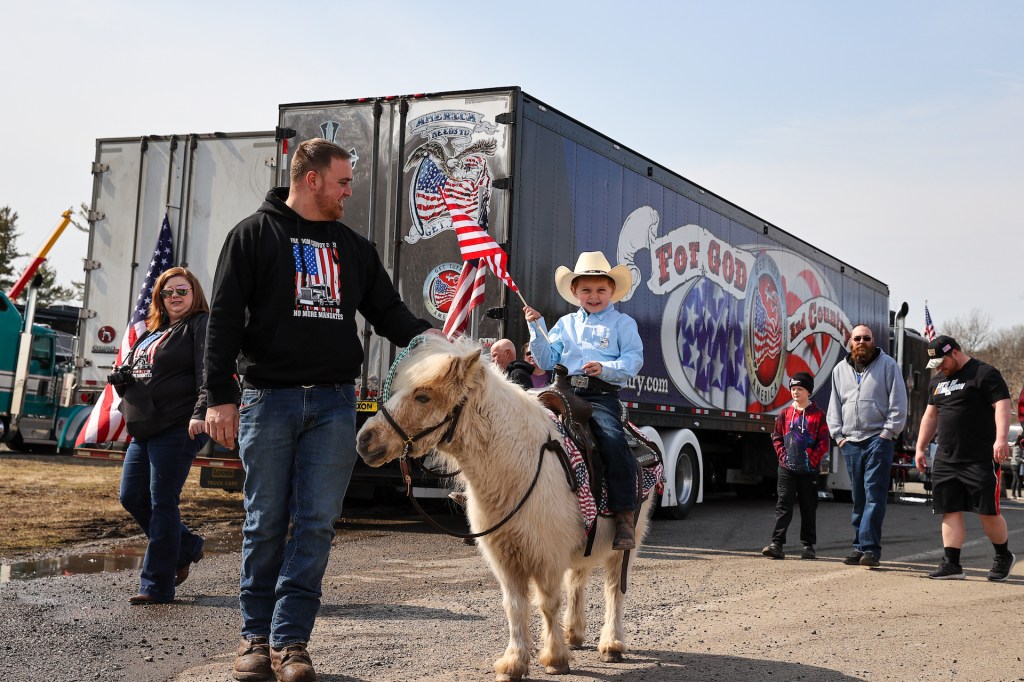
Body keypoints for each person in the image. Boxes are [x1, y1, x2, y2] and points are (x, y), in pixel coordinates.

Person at [204, 138, 433, 682]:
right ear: (311, 180)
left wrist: (445, 345)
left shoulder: (354, 248)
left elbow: (390, 315)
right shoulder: (252, 236)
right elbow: (224, 324)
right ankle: (253, 640)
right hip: (268, 400)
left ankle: (291, 644)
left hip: (335, 403)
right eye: (343, 182)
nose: (349, 192)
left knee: (316, 524)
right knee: (265, 522)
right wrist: (218, 396)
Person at [523, 251, 643, 550]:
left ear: (612, 291)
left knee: (613, 441)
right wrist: (535, 327)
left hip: (600, 395)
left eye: (601, 289)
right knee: (521, 424)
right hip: (562, 390)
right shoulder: (564, 324)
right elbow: (547, 359)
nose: (594, 295)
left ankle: (624, 516)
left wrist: (607, 367)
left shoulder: (623, 324)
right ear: (575, 292)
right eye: (586, 290)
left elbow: (634, 358)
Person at [115, 266, 210, 605]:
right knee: (131, 495)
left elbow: (207, 373)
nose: (174, 297)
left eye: (181, 291)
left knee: (162, 502)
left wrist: (201, 413)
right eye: (167, 293)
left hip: (178, 426)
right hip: (145, 426)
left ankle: (157, 585)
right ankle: (186, 547)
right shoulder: (153, 332)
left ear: (194, 293)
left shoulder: (200, 325)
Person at [914, 335, 1015, 581]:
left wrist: (1001, 439)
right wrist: (920, 448)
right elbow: (930, 416)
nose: (939, 367)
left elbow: (1002, 405)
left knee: (987, 511)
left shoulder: (984, 373)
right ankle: (952, 563)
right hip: (947, 457)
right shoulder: (937, 381)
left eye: (942, 361)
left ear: (955, 352)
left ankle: (1003, 556)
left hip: (979, 457)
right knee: (949, 510)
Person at [827, 323, 907, 568]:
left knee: (874, 495)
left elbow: (899, 404)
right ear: (850, 341)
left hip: (877, 441)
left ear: (874, 340)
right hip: (851, 442)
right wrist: (839, 437)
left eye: (866, 338)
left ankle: (870, 550)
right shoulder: (840, 370)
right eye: (857, 338)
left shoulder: (889, 365)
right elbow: (834, 405)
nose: (861, 342)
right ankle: (859, 546)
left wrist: (887, 434)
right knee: (858, 497)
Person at [762, 372, 829, 561]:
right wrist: (783, 457)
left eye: (800, 389)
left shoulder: (818, 415)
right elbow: (776, 437)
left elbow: (823, 442)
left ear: (808, 391)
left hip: (808, 469)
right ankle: (777, 544)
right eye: (793, 389)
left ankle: (808, 546)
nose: (795, 392)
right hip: (786, 468)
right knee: (783, 504)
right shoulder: (784, 414)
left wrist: (812, 460)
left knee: (808, 506)